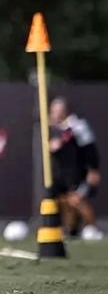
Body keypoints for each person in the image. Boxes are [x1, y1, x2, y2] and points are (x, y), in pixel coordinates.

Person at [49, 97, 102, 241]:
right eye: (53, 110)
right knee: (64, 202)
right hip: (61, 172)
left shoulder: (77, 126)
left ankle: (93, 229)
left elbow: (90, 148)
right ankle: (69, 230)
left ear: (64, 111)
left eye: (57, 110)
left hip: (77, 171)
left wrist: (93, 169)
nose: (54, 113)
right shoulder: (55, 127)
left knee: (76, 200)